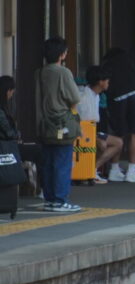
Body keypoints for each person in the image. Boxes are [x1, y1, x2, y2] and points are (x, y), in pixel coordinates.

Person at [36, 37, 82, 212]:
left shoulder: (39, 72)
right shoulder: (63, 72)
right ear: (62, 54)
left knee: (47, 163)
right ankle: (61, 200)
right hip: (61, 123)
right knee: (62, 163)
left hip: (44, 124)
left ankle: (49, 199)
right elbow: (75, 98)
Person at [103, 47, 135, 183]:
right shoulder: (133, 57)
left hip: (118, 97)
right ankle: (131, 171)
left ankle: (114, 169)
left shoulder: (108, 63)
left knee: (119, 134)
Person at [78, 66, 123, 183]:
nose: (108, 83)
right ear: (100, 82)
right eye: (107, 80)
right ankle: (88, 171)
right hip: (84, 131)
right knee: (102, 145)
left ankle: (92, 170)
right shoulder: (83, 96)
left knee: (118, 142)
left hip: (93, 130)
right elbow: (84, 119)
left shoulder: (96, 95)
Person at [0, 75, 41, 194]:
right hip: (6, 147)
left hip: (6, 145)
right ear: (8, 91)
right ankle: (42, 189)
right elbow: (8, 132)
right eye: (12, 91)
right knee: (38, 151)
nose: (12, 94)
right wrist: (17, 135)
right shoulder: (2, 110)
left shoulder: (4, 108)